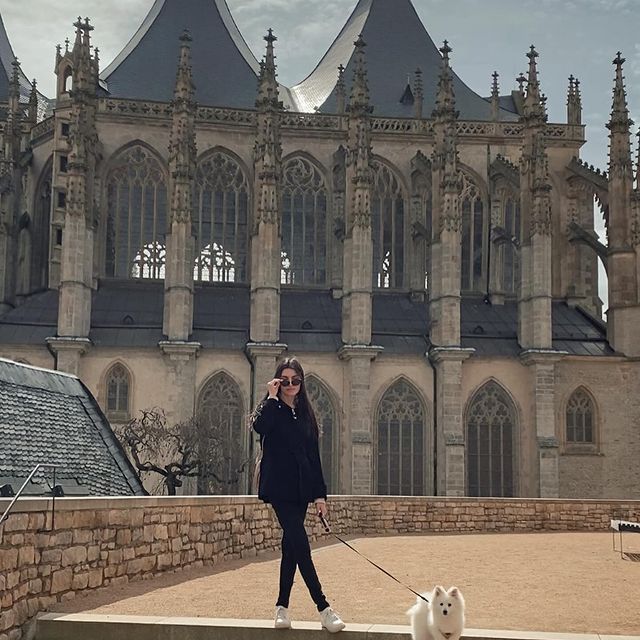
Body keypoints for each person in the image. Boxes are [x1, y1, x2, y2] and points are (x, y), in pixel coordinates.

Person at [251, 357, 345, 633]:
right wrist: (271, 397)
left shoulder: (306, 415)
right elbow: (259, 428)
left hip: (301, 489)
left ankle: (281, 607)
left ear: (301, 383)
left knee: (290, 548)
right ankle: (324, 608)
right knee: (301, 545)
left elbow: (313, 458)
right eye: (285, 380)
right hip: (278, 487)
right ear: (278, 382)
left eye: (295, 381)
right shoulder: (272, 408)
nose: (291, 385)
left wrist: (320, 497)